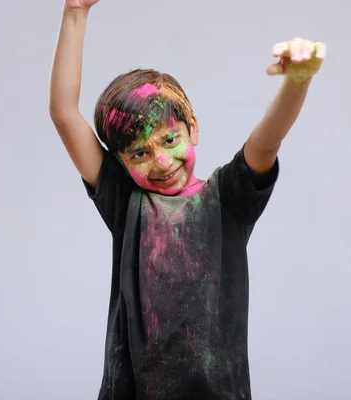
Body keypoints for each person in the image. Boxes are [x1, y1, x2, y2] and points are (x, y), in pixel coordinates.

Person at [49, 0, 326, 398]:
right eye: (139, 153)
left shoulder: (227, 199)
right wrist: (75, 11)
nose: (161, 162)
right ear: (121, 163)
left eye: (170, 140)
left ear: (192, 126)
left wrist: (297, 81)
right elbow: (63, 114)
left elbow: (268, 141)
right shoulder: (125, 203)